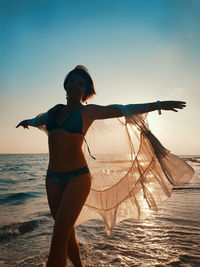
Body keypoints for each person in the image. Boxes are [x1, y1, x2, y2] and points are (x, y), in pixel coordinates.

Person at [16, 65, 187, 267]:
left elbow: (124, 108)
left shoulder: (88, 112)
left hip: (77, 178)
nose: (75, 86)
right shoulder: (54, 111)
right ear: (66, 84)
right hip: (52, 179)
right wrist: (27, 121)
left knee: (58, 236)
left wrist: (158, 104)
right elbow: (39, 120)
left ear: (86, 91)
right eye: (72, 81)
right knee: (66, 233)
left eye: (81, 83)